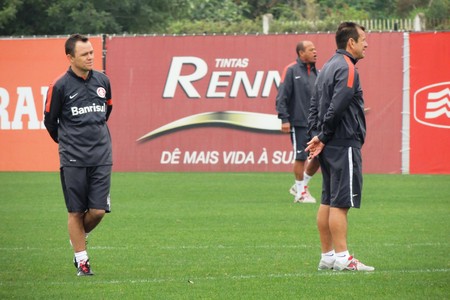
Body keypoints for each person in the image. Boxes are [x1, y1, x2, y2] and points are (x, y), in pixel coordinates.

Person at [306, 22, 374, 271]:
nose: (366, 44)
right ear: (351, 43)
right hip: (342, 143)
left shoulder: (325, 68)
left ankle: (328, 256)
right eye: (363, 39)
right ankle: (344, 258)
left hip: (330, 143)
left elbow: (315, 104)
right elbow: (339, 103)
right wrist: (322, 136)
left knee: (328, 199)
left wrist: (317, 134)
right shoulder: (347, 67)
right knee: (340, 203)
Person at [44, 34, 113, 276]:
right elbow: (50, 122)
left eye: (92, 52)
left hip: (101, 155)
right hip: (73, 157)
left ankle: (77, 238)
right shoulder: (59, 86)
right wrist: (68, 143)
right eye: (85, 54)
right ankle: (82, 260)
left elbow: (107, 111)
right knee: (75, 211)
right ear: (70, 57)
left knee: (97, 211)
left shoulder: (103, 81)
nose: (91, 57)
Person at [276, 40, 321, 203]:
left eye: (315, 49)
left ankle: (300, 186)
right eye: (311, 49)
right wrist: (284, 119)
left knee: (319, 156)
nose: (315, 52)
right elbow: (282, 96)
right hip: (299, 122)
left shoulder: (318, 73)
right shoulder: (291, 70)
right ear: (301, 53)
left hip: (316, 124)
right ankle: (301, 193)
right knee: (301, 156)